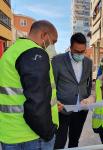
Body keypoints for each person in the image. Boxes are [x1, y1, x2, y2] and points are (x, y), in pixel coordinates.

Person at [0, 20, 59, 150]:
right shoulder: (35, 53)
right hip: (31, 137)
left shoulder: (11, 52)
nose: (53, 46)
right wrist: (48, 132)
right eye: (53, 42)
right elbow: (37, 101)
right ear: (44, 35)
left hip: (9, 134)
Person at [52, 33, 93, 149]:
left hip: (81, 110)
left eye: (83, 51)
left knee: (75, 141)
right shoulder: (57, 60)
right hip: (62, 109)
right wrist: (55, 103)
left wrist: (87, 98)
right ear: (70, 48)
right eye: (76, 51)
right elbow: (52, 85)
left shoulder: (88, 63)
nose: (80, 54)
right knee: (59, 142)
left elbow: (88, 83)